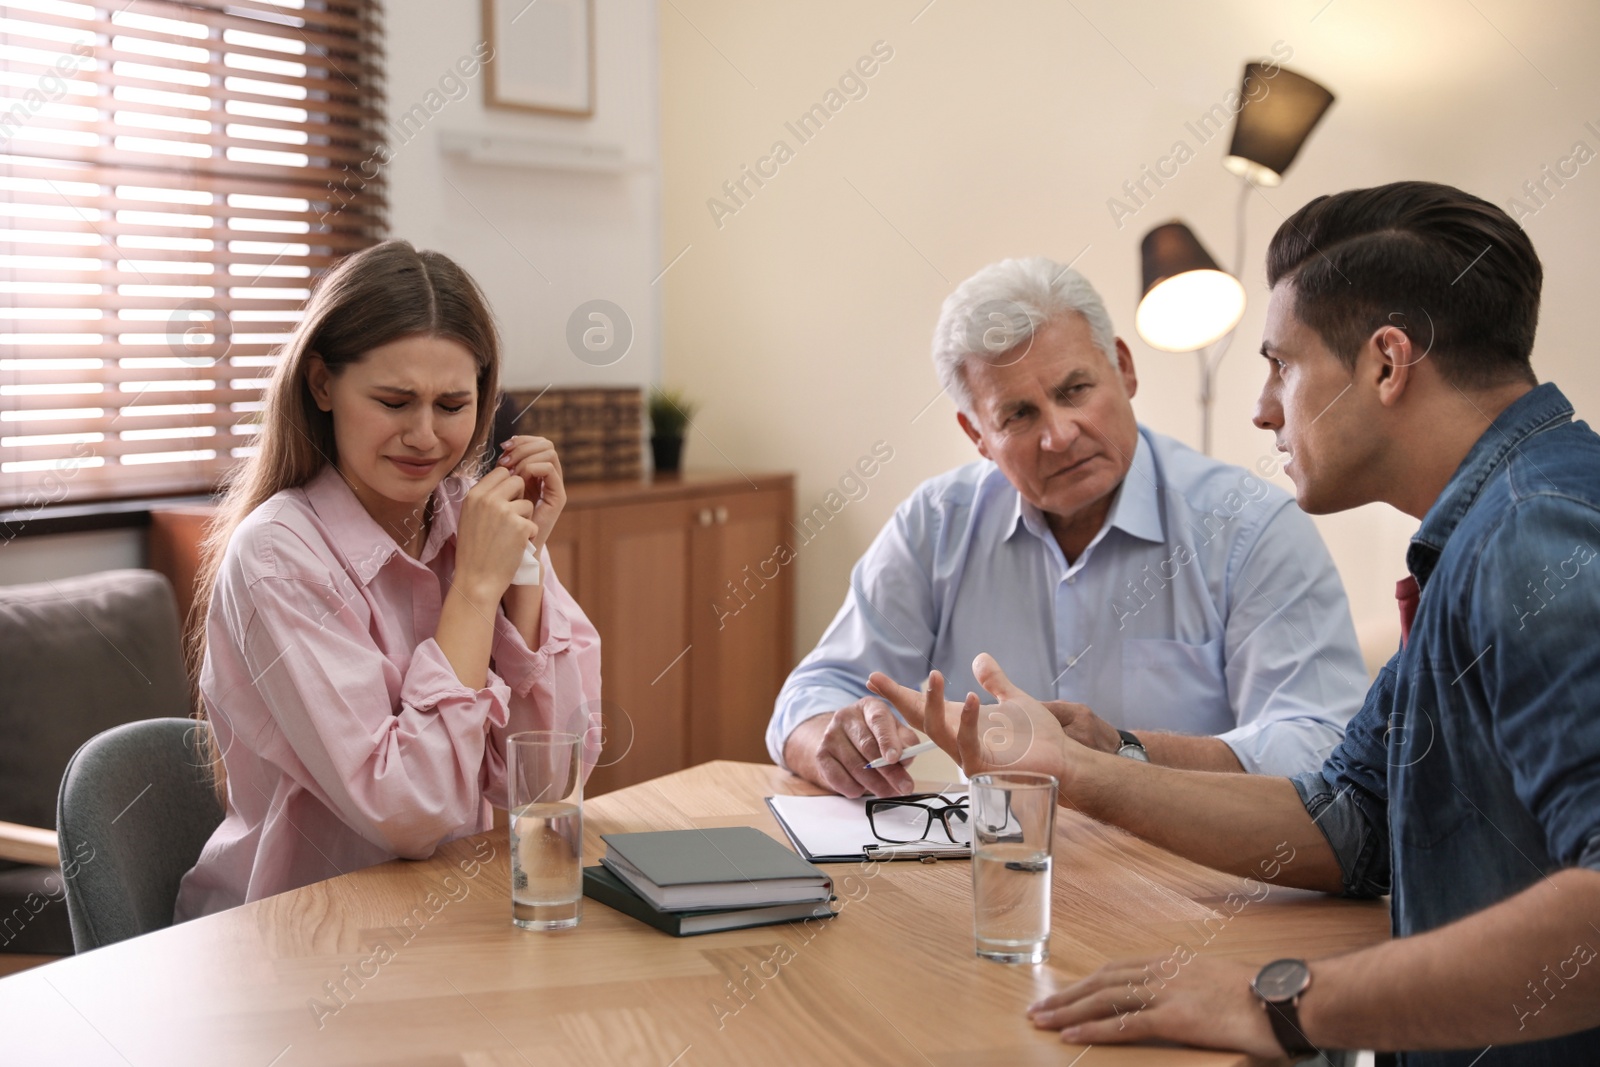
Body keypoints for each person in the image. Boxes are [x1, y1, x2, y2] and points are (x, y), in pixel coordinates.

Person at [870, 182, 1600, 1065]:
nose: (1262, 409)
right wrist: (1083, 767)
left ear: (1386, 363)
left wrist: (1283, 1004)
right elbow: (1352, 817)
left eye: (1281, 365)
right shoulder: (1492, 526)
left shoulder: (1533, 536)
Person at [768, 258, 1367, 798]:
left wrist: (1123, 753)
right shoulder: (935, 524)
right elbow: (811, 695)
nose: (1058, 435)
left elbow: (1320, 742)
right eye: (1018, 415)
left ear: (1124, 370)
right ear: (977, 435)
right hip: (989, 874)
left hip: (1190, 885)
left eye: (1075, 390)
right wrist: (832, 737)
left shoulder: (1249, 527)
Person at [174, 240, 601, 920]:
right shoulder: (277, 558)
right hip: (299, 938)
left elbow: (545, 781)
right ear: (322, 385)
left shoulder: (477, 520)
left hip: (449, 912)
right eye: (395, 400)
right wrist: (472, 593)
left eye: (452, 404)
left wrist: (523, 568)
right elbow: (410, 810)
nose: (426, 436)